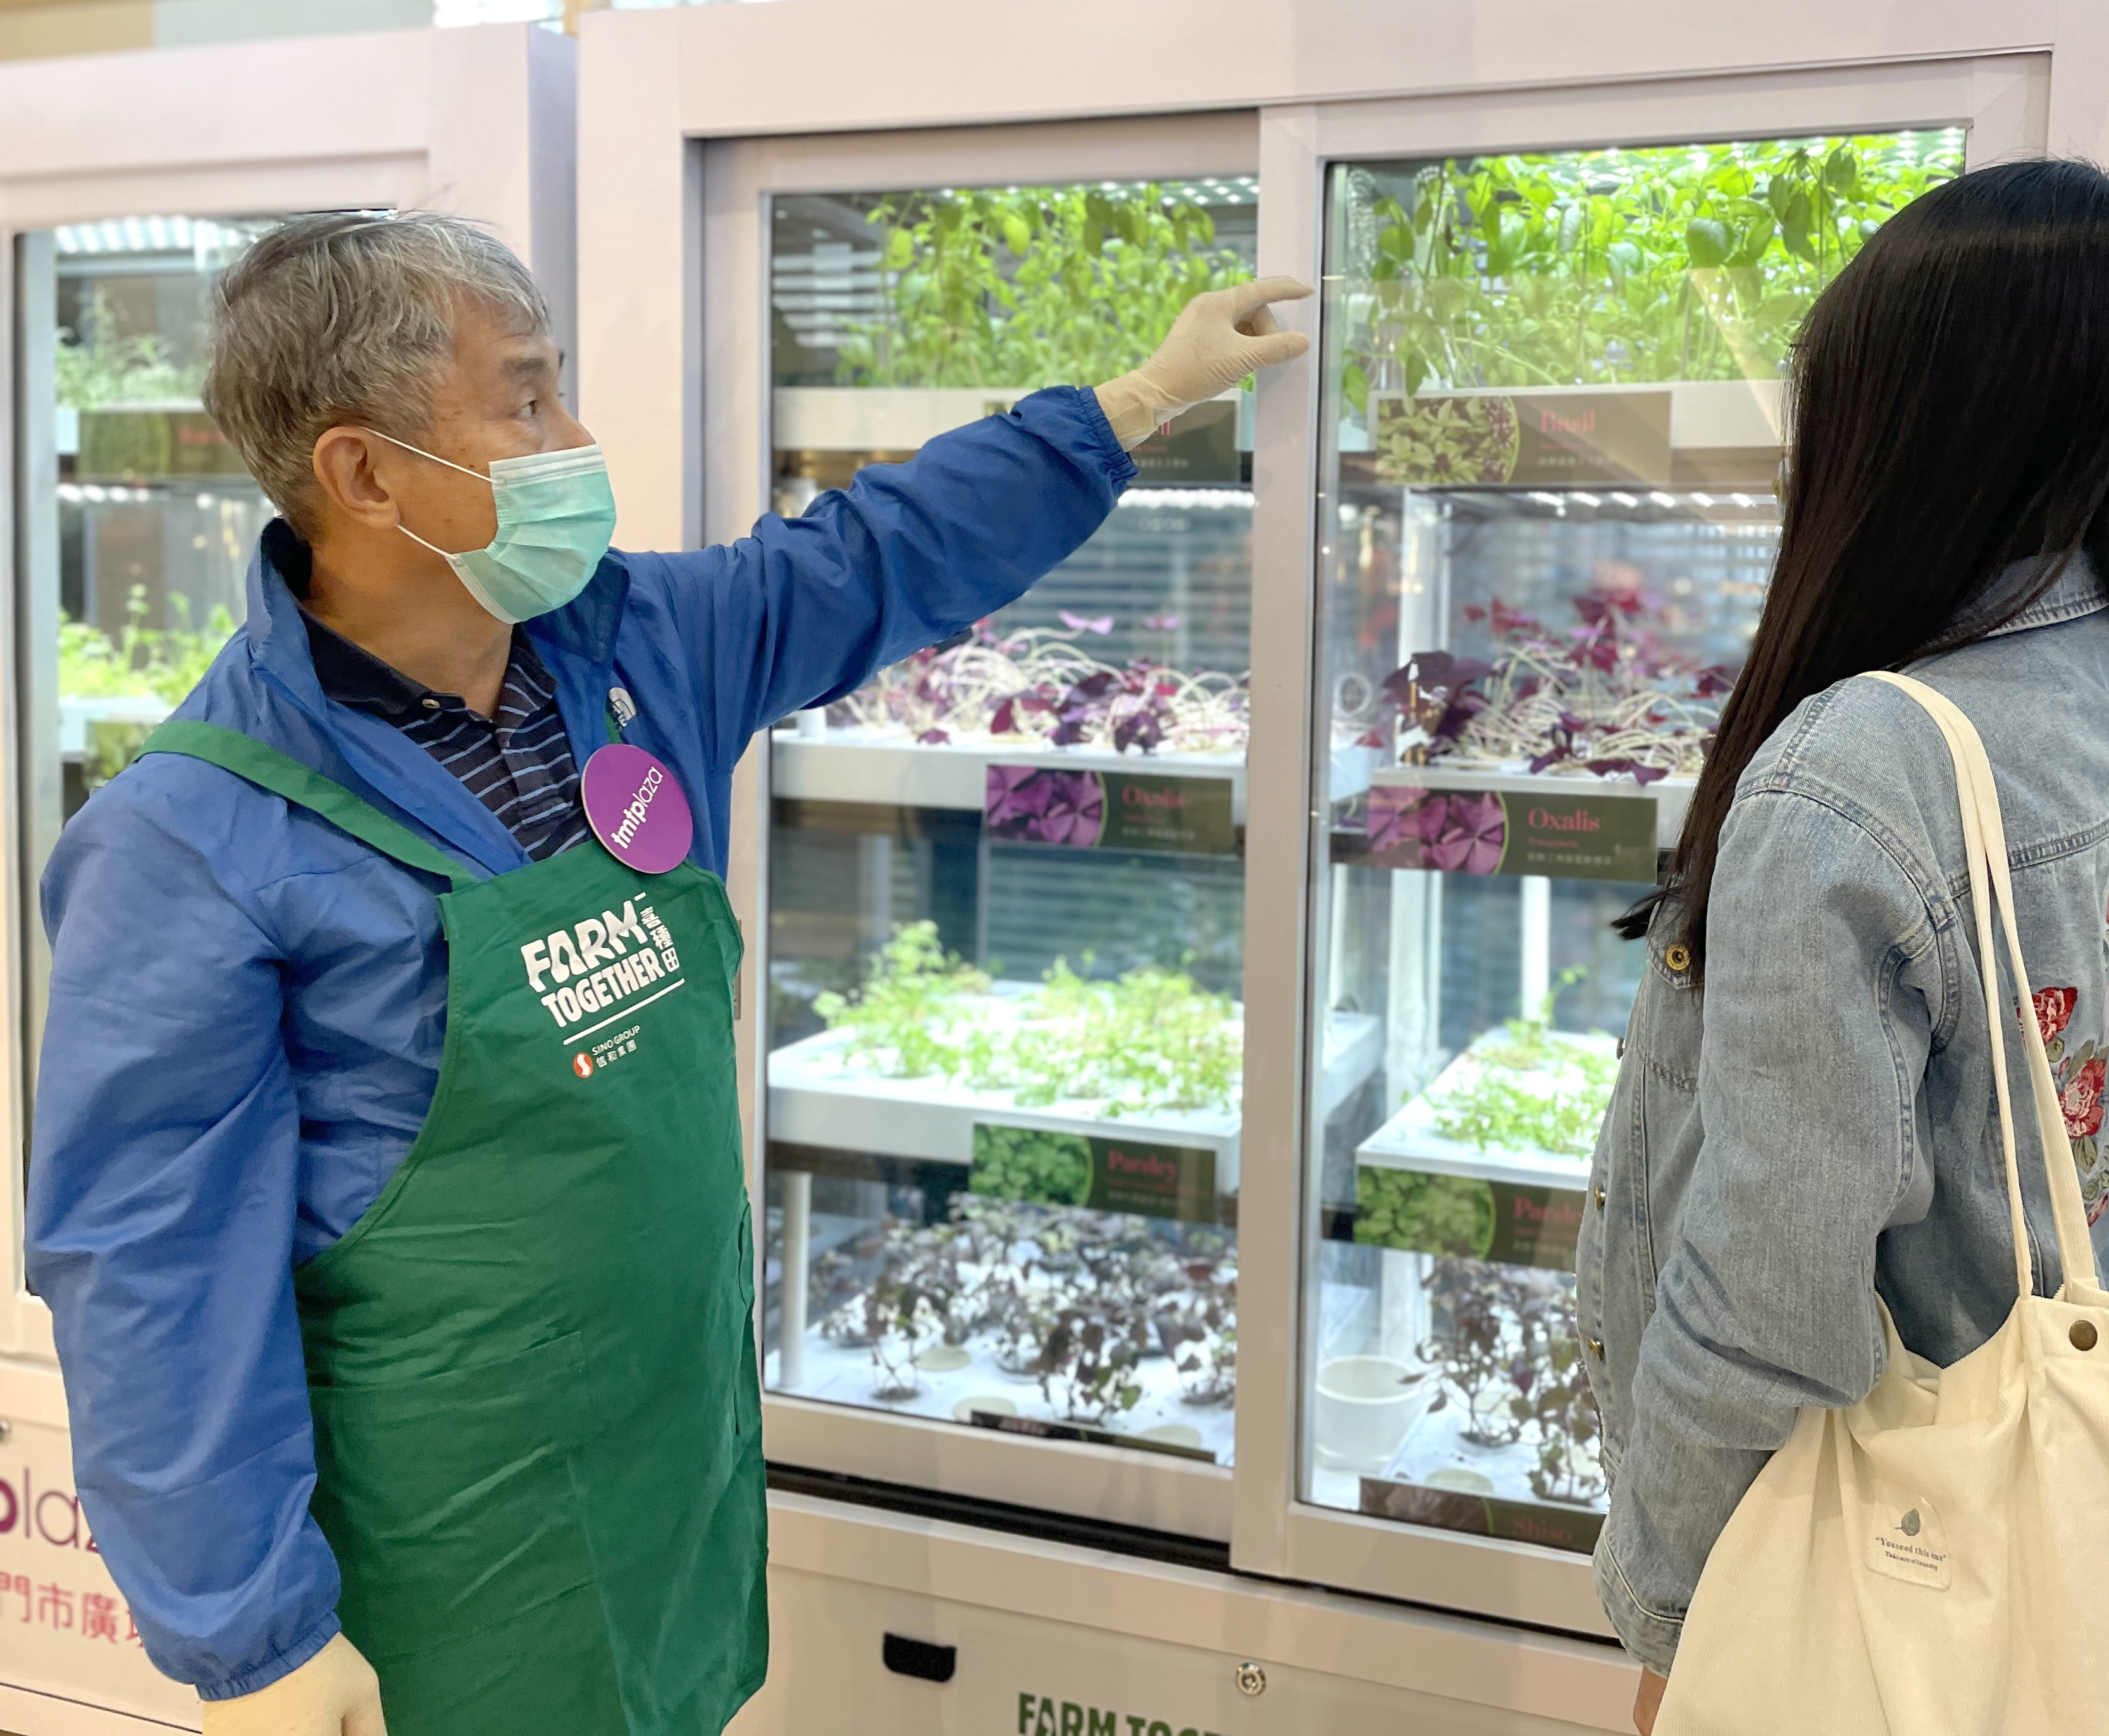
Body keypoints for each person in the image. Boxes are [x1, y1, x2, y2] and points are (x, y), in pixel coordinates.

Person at [25, 211, 1309, 1736]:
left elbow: (873, 559)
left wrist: (1129, 406)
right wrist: (257, 1642)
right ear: (364, 474)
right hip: (442, 1552)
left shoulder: (629, 649)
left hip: (666, 1470)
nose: (574, 438)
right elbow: (152, 1274)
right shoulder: (193, 836)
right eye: (524, 401)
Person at [1574, 159, 2109, 1733]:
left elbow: (1772, 1291)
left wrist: (1673, 1618)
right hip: (2013, 1429)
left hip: (1847, 1538)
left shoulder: (1855, 769)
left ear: (1913, 433)